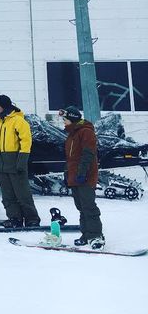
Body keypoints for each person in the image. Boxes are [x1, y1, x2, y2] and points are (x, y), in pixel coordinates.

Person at [0, 94, 40, 228]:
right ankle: (14, 218)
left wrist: (22, 160)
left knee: (22, 193)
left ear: (5, 106)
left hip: (15, 162)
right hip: (2, 163)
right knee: (7, 195)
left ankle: (32, 218)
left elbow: (26, 141)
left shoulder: (19, 121)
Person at [60, 106, 104, 249]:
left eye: (65, 119)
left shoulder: (86, 132)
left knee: (88, 206)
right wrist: (67, 174)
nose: (63, 122)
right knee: (81, 207)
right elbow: (70, 158)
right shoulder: (72, 134)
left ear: (72, 119)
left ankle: (96, 236)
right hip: (75, 176)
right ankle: (86, 234)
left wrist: (82, 173)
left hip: (85, 176)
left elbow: (88, 154)